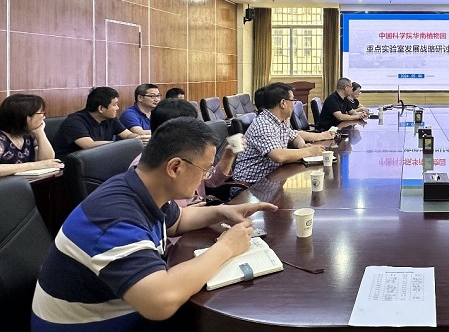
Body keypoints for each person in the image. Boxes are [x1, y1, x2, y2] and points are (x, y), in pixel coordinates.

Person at [32, 117, 279, 331]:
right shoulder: (114, 217)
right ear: (175, 167)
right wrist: (226, 247)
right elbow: (160, 302)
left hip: (123, 311)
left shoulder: (141, 186)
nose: (205, 177)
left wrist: (223, 212)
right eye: (204, 169)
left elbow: (177, 221)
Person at [130, 99, 241, 207]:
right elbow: (164, 215)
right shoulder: (148, 169)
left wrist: (229, 155)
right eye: (192, 128)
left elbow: (212, 182)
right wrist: (186, 214)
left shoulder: (189, 153)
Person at [233, 83, 332, 184]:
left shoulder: (278, 121)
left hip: (271, 179)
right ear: (283, 103)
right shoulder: (263, 124)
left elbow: (294, 136)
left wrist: (302, 145)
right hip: (250, 186)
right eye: (293, 100)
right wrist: (310, 151)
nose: (294, 105)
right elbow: (278, 156)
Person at [53, 86, 148, 157]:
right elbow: (89, 145)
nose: (118, 108)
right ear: (101, 108)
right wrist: (121, 145)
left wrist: (139, 138)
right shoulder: (74, 121)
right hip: (69, 167)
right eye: (114, 105)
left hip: (97, 160)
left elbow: (127, 135)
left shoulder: (110, 118)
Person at [0, 94, 63, 177]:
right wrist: (34, 165)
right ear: (26, 117)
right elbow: (41, 164)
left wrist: (40, 133)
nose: (43, 117)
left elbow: (47, 161)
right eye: (41, 113)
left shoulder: (28, 135)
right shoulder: (2, 138)